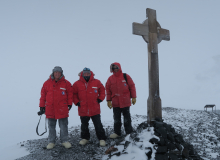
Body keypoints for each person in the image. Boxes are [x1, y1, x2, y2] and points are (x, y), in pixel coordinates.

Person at [39, 66, 73, 149]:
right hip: (50, 108)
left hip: (62, 108)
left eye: (59, 72)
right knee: (51, 126)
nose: (57, 74)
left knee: (63, 125)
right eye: (55, 72)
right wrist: (41, 106)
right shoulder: (47, 83)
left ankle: (64, 140)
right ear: (53, 73)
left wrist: (69, 104)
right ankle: (51, 142)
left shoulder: (66, 83)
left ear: (61, 73)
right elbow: (43, 95)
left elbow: (70, 94)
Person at [72, 67, 107, 146]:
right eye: (85, 73)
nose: (86, 75)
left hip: (95, 108)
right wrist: (77, 102)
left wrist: (100, 99)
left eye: (88, 73)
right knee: (84, 125)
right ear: (82, 74)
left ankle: (102, 138)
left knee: (98, 124)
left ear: (91, 74)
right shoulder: (77, 83)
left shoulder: (97, 82)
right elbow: (73, 94)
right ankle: (85, 138)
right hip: (83, 108)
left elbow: (102, 90)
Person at [105, 62, 136, 138]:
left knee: (127, 118)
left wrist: (134, 97)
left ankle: (129, 132)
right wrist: (108, 101)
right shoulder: (110, 79)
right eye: (114, 68)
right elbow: (108, 90)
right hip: (116, 103)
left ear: (119, 67)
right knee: (116, 118)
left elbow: (132, 86)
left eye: (116, 67)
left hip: (125, 102)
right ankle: (117, 132)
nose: (115, 69)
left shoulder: (126, 76)